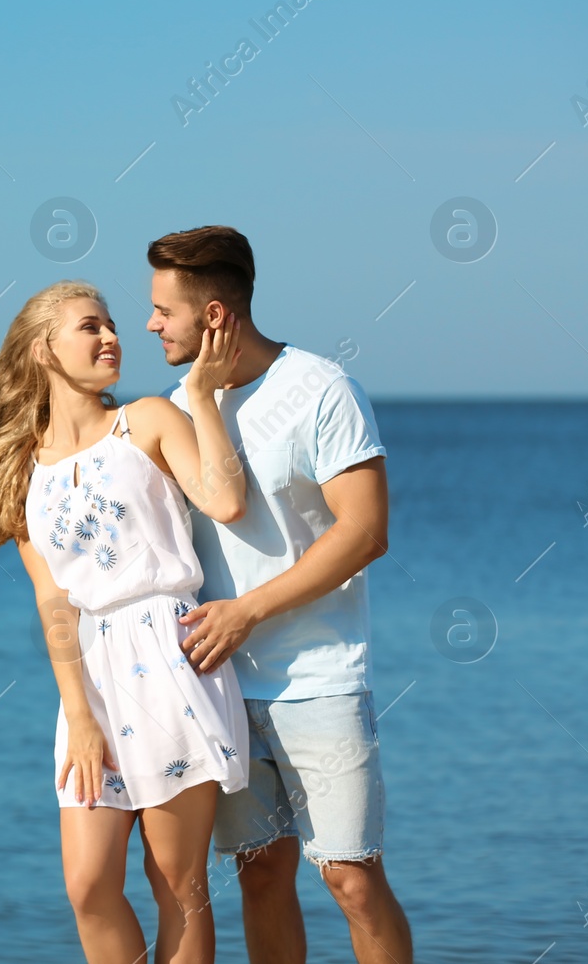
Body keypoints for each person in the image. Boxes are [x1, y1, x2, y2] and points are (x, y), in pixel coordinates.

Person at [0, 280, 250, 964]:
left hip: (172, 660)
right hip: (91, 676)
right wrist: (79, 714)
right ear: (44, 349)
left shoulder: (146, 420)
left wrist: (201, 397)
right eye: (91, 326)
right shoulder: (22, 469)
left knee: (176, 881)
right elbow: (53, 602)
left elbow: (226, 500)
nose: (112, 336)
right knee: (88, 885)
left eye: (113, 324)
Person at [144, 225, 413, 964]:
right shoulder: (181, 406)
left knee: (352, 877)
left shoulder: (320, 389)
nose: (150, 323)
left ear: (216, 316)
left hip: (319, 680)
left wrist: (249, 610)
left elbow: (365, 531)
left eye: (165, 309)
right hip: (219, 688)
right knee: (260, 873)